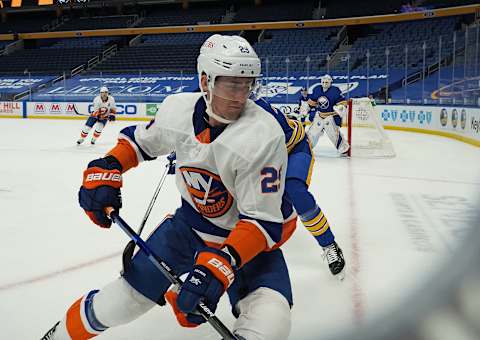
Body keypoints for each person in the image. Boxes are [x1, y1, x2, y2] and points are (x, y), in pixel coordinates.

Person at [42, 34, 294, 340]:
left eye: (247, 84)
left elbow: (263, 221)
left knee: (272, 320)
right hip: (187, 230)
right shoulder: (178, 109)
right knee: (121, 302)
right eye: (232, 84)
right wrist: (108, 167)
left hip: (249, 244)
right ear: (205, 80)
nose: (241, 95)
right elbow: (140, 142)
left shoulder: (263, 134)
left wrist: (222, 262)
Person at [306, 74, 350, 155]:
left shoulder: (335, 90)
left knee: (333, 134)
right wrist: (306, 108)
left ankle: (344, 149)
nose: (325, 84)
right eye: (323, 82)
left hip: (331, 116)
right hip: (319, 115)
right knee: (312, 133)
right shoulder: (317, 89)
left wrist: (340, 107)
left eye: (327, 82)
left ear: (330, 82)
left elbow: (342, 103)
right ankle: (306, 148)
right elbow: (311, 102)